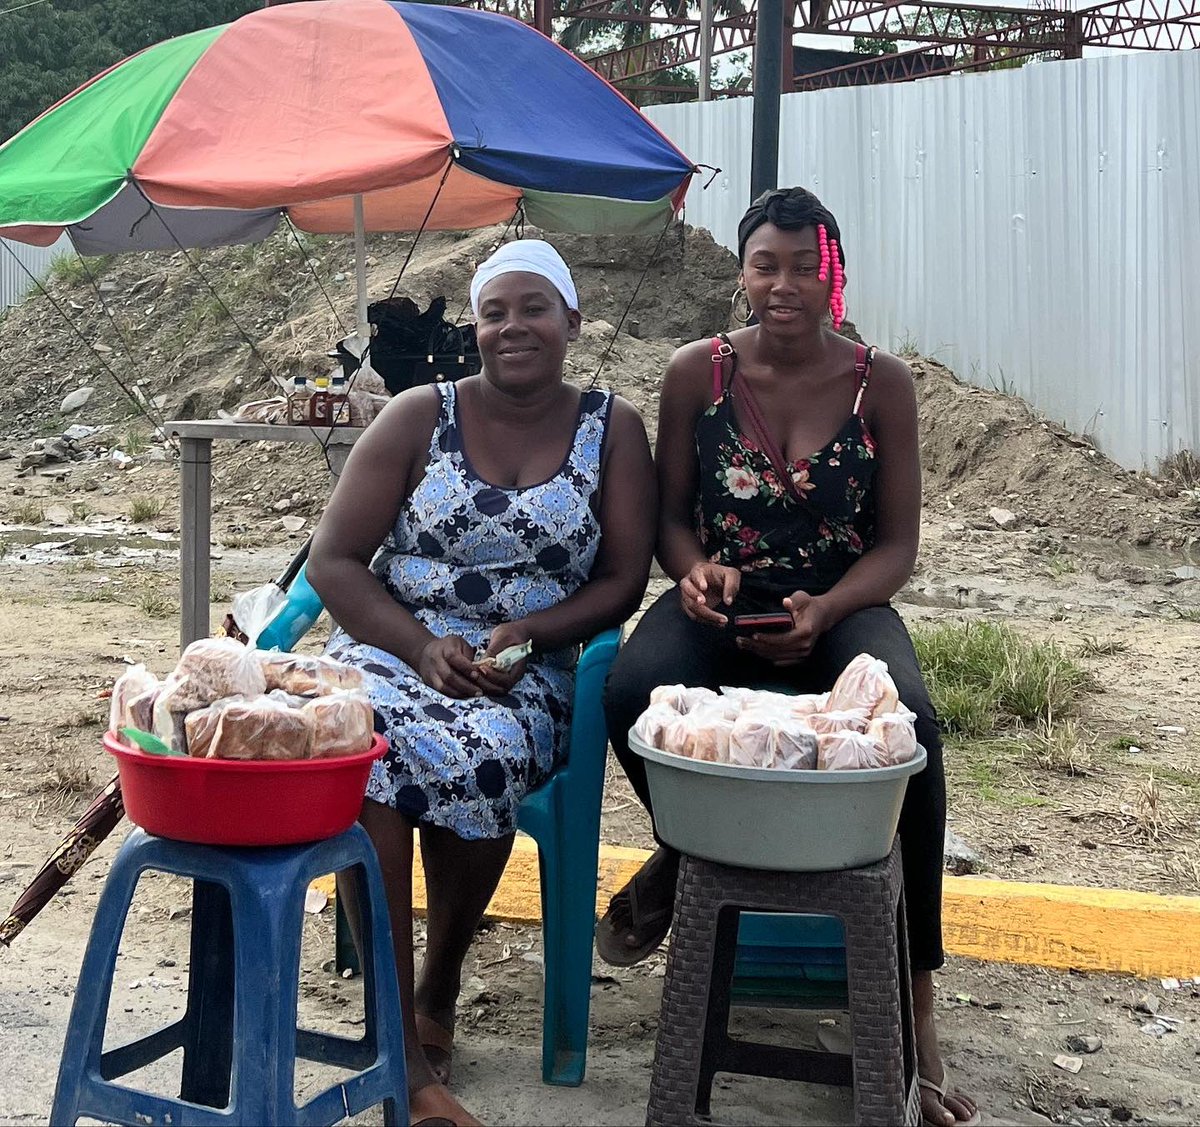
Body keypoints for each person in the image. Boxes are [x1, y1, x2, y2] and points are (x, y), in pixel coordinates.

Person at [598, 188, 980, 1127]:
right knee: (632, 691)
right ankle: (692, 854)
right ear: (743, 271)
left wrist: (832, 606)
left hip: (841, 604)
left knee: (914, 735)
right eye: (767, 264)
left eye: (806, 267)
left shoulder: (879, 383)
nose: (785, 285)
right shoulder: (699, 373)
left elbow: (896, 546)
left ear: (832, 277)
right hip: (727, 601)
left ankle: (918, 1015)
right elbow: (673, 522)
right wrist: (693, 577)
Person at [308, 239, 655, 1127]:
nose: (513, 327)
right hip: (393, 647)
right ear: (475, 327)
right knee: (358, 741)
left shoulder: (612, 427)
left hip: (523, 672)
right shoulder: (420, 415)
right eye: (494, 312)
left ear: (573, 320)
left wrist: (533, 632)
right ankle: (405, 1048)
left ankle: (441, 978)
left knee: (487, 751)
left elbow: (622, 576)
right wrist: (422, 647)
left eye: (534, 307)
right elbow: (336, 560)